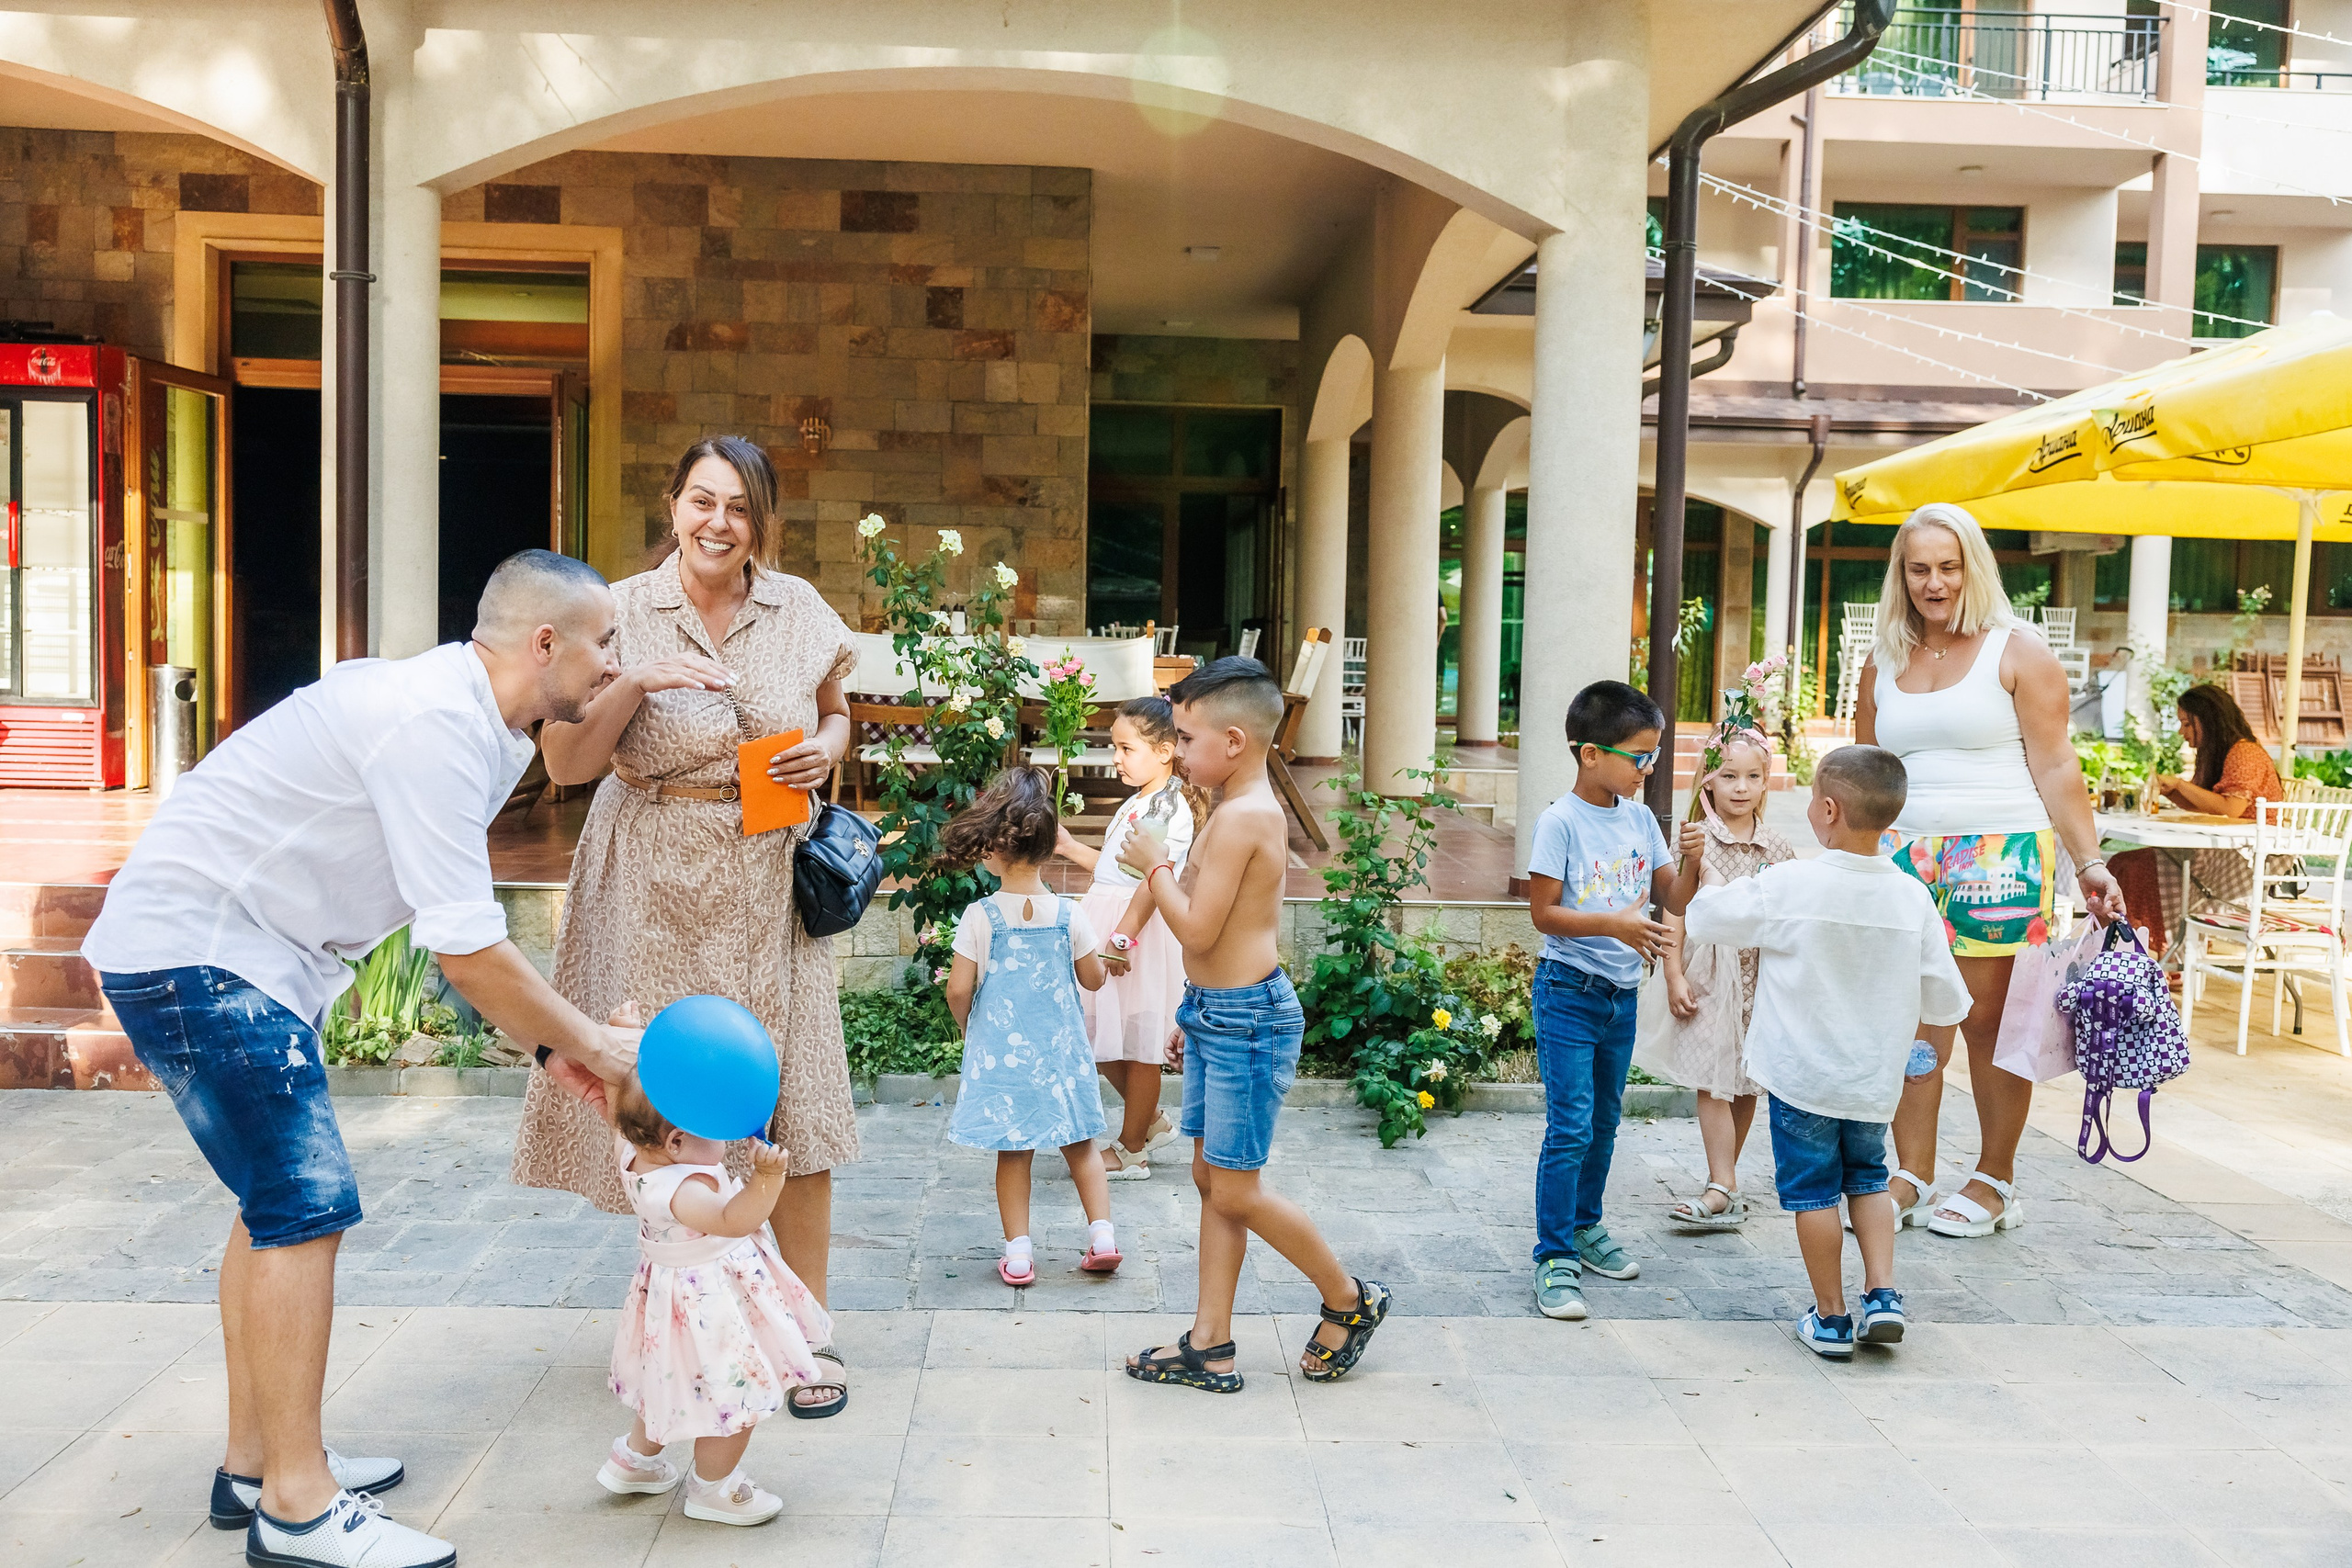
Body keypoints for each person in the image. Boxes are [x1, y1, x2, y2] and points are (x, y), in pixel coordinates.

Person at [81, 550, 643, 1568]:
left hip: (227, 957)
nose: (614, 663)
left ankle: (256, 1463)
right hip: (203, 952)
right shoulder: (432, 724)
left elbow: (463, 937)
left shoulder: (485, 728)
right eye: (604, 641)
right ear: (546, 642)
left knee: (273, 1207)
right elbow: (468, 948)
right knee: (304, 1205)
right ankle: (297, 1507)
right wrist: (598, 1050)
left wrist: (553, 1046)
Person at [510, 435, 860, 1417]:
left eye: (740, 508)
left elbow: (836, 713)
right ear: (672, 505)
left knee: (794, 1105)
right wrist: (636, 683)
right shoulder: (614, 612)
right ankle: (686, 1330)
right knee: (666, 1112)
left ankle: (806, 1339)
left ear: (762, 522)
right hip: (651, 877)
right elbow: (570, 766)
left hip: (764, 875)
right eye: (701, 501)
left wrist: (823, 751)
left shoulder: (798, 606)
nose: (718, 523)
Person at [1114, 657, 1391, 1391]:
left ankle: (1350, 1298)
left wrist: (1153, 868)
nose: (1175, 751)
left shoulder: (1245, 818)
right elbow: (1215, 937)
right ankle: (1210, 1343)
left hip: (1249, 1019)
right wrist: (1190, 1014)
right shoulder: (1228, 809)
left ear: (1234, 741)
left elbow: (1199, 931)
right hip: (1218, 1015)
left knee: (1235, 1188)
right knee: (1214, 1178)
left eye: (1185, 737)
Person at [1854, 502, 2125, 1240]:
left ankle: (1995, 1177)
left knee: (1984, 1023)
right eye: (1919, 569)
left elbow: (2057, 762)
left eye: (1947, 566)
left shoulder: (2019, 650)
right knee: (1912, 1023)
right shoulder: (1882, 658)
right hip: (1904, 857)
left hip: (2000, 855)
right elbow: (1866, 770)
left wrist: (2088, 862)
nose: (1934, 583)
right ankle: (1910, 1172)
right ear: (1901, 575)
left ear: (1972, 567)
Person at [1684, 746, 1972, 1359]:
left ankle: (1833, 1316)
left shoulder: (1793, 883)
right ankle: (1883, 1294)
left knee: (1813, 1192)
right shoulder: (1909, 897)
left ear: (1830, 809)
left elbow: (1709, 918)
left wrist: (1709, 878)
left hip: (1802, 1078)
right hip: (1872, 1082)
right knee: (1868, 1179)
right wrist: (1930, 1049)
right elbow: (1946, 993)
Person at [1524, 680, 1705, 1320]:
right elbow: (1544, 914)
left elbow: (1674, 897)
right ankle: (1553, 1255)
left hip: (1620, 996)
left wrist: (1694, 861)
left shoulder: (1639, 820)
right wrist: (1615, 926)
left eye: (1653, 756)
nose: (1647, 769)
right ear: (1590, 753)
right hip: (1568, 993)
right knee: (1569, 1125)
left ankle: (1585, 1225)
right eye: (1639, 755)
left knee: (1604, 1122)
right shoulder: (1560, 821)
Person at [597, 1076, 831, 1527]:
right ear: (678, 1141)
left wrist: (623, 1050)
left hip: (670, 1301)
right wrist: (767, 1178)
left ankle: (636, 1461)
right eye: (715, 1126)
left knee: (667, 1379)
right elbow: (732, 1219)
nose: (725, 1132)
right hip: (709, 1304)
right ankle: (714, 1487)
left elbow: (617, 1105)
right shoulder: (683, 1190)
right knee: (735, 1391)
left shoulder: (632, 1155)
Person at [943, 768, 1123, 1282]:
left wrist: (967, 1026)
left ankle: (1019, 1254)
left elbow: (959, 988)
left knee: (1014, 1152)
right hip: (1061, 1055)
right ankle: (1102, 1236)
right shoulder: (1069, 913)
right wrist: (1103, 961)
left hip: (1004, 1059)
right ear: (1046, 848)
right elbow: (1091, 980)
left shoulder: (981, 915)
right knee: (1082, 1144)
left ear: (992, 850)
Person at [1636, 724, 1794, 1230]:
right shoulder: (1698, 841)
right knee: (1713, 1081)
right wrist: (1673, 973)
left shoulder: (1777, 847)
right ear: (1708, 782)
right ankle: (1720, 1184)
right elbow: (1677, 911)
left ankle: (1723, 1178)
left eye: (1753, 776)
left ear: (1767, 781)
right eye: (1729, 776)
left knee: (1747, 1082)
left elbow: (1792, 912)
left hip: (1761, 977)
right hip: (1710, 975)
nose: (1741, 787)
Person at [1053, 695, 1203, 1179]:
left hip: (1135, 931)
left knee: (1138, 1041)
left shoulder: (1170, 807)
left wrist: (1124, 938)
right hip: (1109, 919)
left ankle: (1133, 1146)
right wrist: (1070, 846)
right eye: (1113, 747)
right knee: (1097, 1032)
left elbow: (1153, 881)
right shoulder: (1141, 799)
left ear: (1164, 750)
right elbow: (1117, 871)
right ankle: (1152, 1120)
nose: (1115, 759)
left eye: (1125, 748)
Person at [2111, 682, 2284, 956]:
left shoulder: (2245, 752)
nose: (2182, 732)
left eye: (2186, 724)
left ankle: (2154, 953)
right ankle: (2143, 953)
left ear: (2207, 720)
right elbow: (2208, 806)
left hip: (2241, 858)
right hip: (2219, 848)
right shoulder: (2220, 754)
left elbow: (2232, 809)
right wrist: (2175, 793)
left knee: (2130, 867)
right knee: (2125, 863)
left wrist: (2180, 785)